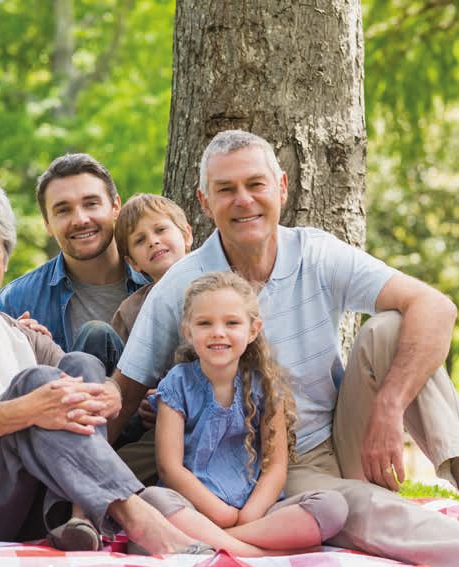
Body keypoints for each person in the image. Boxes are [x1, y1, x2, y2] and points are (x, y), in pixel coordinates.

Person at [110, 129, 459, 566]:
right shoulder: (182, 285)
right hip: (276, 466)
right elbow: (124, 391)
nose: (244, 200)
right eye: (226, 189)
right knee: (359, 508)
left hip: (344, 430)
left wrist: (389, 409)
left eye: (255, 184)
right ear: (205, 202)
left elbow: (437, 307)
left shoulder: (316, 252)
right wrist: (80, 480)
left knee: (395, 327)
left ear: (281, 187)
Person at [0, 178, 271, 556]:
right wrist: (29, 408)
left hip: (39, 508)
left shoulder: (18, 332)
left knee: (82, 363)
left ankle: (81, 515)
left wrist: (117, 395)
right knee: (37, 382)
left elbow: (88, 385)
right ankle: (135, 515)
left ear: (3, 259)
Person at [151, 271, 346, 553]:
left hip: (255, 511)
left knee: (331, 508)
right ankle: (255, 553)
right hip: (195, 507)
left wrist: (248, 515)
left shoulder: (265, 386)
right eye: (205, 323)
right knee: (153, 500)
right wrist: (220, 514)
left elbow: (275, 468)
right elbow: (169, 468)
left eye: (232, 323)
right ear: (188, 331)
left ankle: (220, 543)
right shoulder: (177, 383)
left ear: (253, 330)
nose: (218, 332)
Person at [0, 153, 148, 374]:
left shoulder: (159, 281)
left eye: (91, 204)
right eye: (63, 210)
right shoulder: (15, 302)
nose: (80, 220)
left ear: (115, 207)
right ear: (47, 224)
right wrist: (17, 352)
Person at [109, 194, 192, 465]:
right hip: (156, 428)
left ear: (187, 235)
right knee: (123, 467)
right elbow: (125, 380)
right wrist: (144, 403)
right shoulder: (130, 310)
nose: (153, 241)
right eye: (140, 240)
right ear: (134, 263)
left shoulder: (219, 287)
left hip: (209, 411)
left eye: (160, 229)